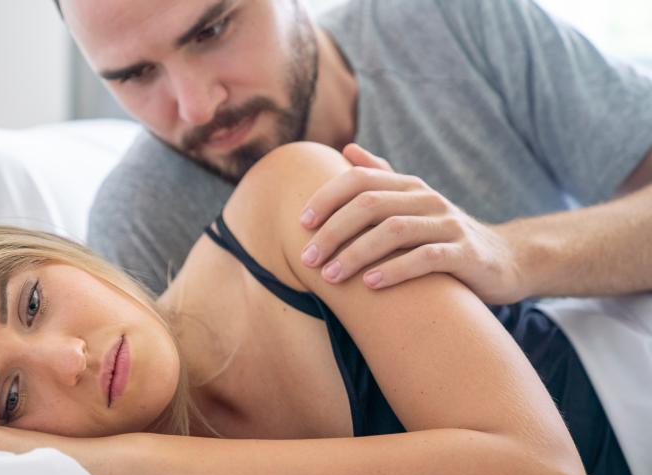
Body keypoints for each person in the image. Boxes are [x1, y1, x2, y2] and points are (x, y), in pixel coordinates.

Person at [0, 144, 648, 475]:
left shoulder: (291, 204)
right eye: (11, 396)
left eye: (29, 301)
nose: (71, 355)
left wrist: (132, 457)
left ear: (48, 250)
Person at [53, 0, 652, 302]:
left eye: (211, 32)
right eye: (135, 75)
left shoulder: (453, 20)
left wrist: (511, 254)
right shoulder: (141, 224)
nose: (197, 106)